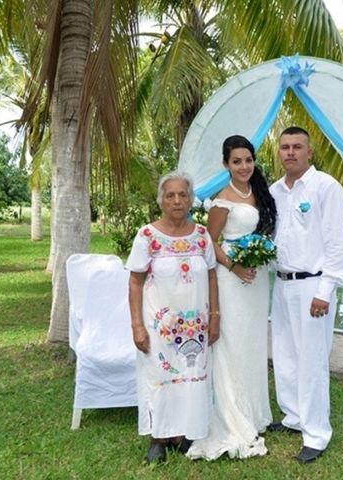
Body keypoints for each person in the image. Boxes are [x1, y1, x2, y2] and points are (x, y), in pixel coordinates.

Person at [187, 135, 277, 460]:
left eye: (248, 160)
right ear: (226, 164)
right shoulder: (222, 200)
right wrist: (235, 267)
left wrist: (256, 259)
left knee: (253, 343)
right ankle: (232, 414)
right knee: (233, 343)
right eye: (236, 161)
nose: (244, 166)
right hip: (232, 279)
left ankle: (254, 413)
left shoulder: (259, 193)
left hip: (256, 280)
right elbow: (209, 242)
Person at [267, 126, 343, 463]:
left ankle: (316, 433)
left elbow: (335, 243)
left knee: (312, 360)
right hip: (282, 283)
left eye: (297, 146)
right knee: (284, 353)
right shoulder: (273, 191)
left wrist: (325, 290)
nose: (290, 152)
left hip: (312, 286)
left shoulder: (325, 187)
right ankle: (294, 417)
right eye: (285, 147)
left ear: (309, 152)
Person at [126, 171, 219, 464]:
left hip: (196, 325)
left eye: (183, 195)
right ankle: (158, 437)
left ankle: (182, 434)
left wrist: (215, 316)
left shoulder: (202, 235)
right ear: (161, 200)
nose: (177, 201)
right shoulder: (147, 236)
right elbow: (135, 282)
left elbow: (213, 276)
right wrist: (137, 325)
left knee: (191, 376)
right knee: (160, 376)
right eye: (170, 195)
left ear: (191, 199)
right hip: (159, 326)